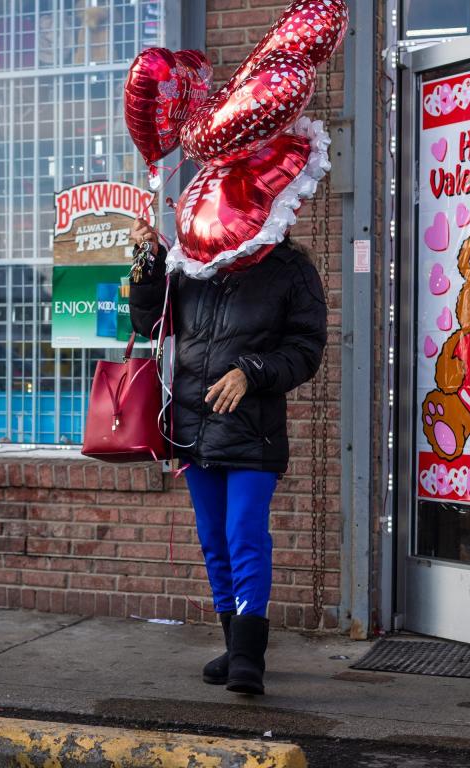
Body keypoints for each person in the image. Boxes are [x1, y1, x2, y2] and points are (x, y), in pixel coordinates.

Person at [128, 218, 328, 695]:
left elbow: (306, 348)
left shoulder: (290, 269)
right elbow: (147, 321)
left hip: (251, 431)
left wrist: (251, 372)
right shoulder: (194, 262)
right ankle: (234, 643)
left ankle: (248, 655)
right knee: (214, 540)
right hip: (195, 427)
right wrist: (146, 260)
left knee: (244, 535)